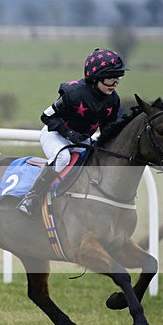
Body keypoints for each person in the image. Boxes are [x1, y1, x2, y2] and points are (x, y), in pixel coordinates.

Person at [17, 48, 127, 217]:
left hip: (81, 139)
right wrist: (69, 134)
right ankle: (31, 197)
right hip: (55, 134)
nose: (115, 84)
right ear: (95, 77)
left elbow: (107, 128)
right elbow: (46, 116)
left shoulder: (113, 100)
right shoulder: (74, 93)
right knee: (63, 158)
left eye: (117, 78)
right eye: (111, 78)